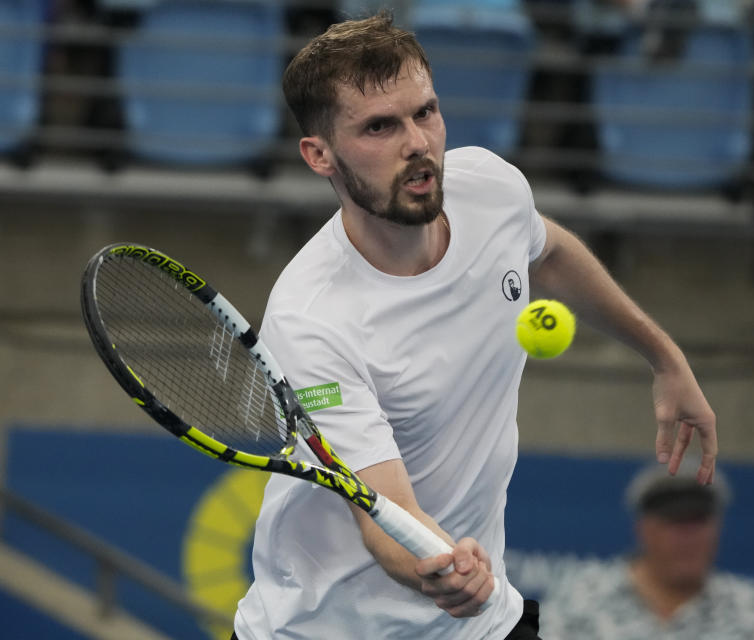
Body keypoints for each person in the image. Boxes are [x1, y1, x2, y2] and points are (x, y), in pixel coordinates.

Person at [232, 11, 717, 640]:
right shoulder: (310, 322)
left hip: (480, 625)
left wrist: (664, 358)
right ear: (318, 155)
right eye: (380, 127)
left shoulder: (488, 186)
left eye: (425, 113)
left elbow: (549, 252)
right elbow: (384, 515)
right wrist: (439, 570)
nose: (417, 145)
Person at [539, 463, 754, 640]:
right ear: (644, 529)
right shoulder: (582, 598)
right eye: (675, 523)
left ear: (716, 528)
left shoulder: (753, 608)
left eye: (698, 522)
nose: (687, 536)